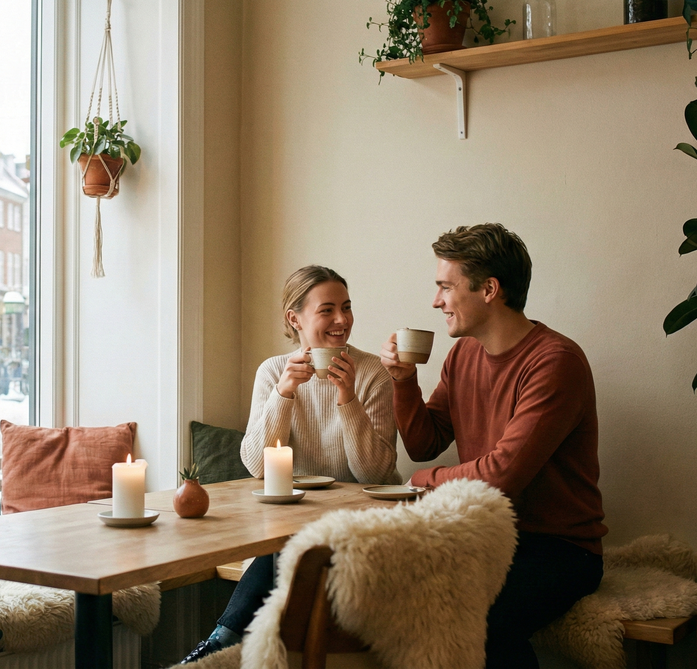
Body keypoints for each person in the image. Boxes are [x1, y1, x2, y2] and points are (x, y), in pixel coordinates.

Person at [379, 223, 607, 669]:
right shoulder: (462, 355)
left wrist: (421, 484)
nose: (436, 301)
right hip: (486, 535)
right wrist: (404, 382)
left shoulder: (555, 362)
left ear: (489, 289)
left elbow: (502, 475)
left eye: (446, 287)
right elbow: (424, 443)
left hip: (559, 549)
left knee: (480, 621)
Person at [181, 265, 400, 663]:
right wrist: (284, 393)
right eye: (327, 310)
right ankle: (223, 648)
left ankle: (216, 645)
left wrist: (347, 398)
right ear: (294, 319)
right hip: (293, 520)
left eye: (346, 308)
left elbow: (377, 474)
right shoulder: (272, 372)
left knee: (288, 545)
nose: (342, 321)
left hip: (360, 527)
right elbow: (256, 466)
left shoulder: (372, 374)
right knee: (287, 541)